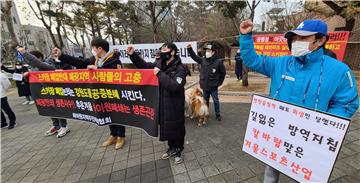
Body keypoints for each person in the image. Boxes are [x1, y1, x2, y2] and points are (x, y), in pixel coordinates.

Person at [239, 19, 359, 183]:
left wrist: (325, 125)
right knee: (271, 169)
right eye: (294, 38)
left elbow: (347, 103)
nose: (296, 42)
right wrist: (246, 37)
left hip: (309, 138)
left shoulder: (339, 71)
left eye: (303, 38)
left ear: (321, 40)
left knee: (304, 175)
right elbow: (252, 60)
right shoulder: (281, 62)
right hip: (278, 132)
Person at [51, 38, 126, 149]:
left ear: (100, 48)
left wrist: (97, 69)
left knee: (116, 114)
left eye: (93, 48)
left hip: (113, 93)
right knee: (107, 114)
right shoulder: (94, 59)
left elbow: (117, 76)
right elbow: (79, 63)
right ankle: (113, 135)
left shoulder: (114, 60)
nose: (92, 50)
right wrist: (62, 55)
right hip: (101, 93)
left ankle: (121, 136)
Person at [126, 43, 189, 164]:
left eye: (165, 49)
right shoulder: (160, 64)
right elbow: (144, 66)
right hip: (162, 103)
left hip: (175, 105)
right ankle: (171, 147)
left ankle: (179, 150)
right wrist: (133, 55)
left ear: (172, 52)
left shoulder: (180, 69)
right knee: (167, 127)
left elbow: (175, 86)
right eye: (161, 49)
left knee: (177, 128)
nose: (161, 51)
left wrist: (159, 74)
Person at [16, 49, 71, 138]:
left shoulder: (47, 64)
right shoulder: (32, 68)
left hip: (53, 91)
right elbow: (31, 80)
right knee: (48, 109)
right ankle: (56, 126)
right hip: (42, 92)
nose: (30, 62)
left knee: (57, 108)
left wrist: (25, 53)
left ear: (39, 58)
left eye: (32, 59)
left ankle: (64, 126)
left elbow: (38, 63)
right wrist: (27, 76)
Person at [187, 42, 226, 121]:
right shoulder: (203, 60)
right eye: (206, 50)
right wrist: (189, 49)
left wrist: (219, 83)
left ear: (213, 52)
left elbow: (223, 73)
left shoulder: (218, 62)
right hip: (205, 85)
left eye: (209, 50)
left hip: (213, 86)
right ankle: (206, 113)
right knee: (205, 101)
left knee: (216, 100)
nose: (207, 52)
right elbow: (194, 57)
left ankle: (218, 114)